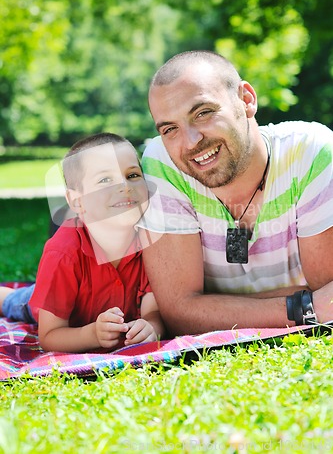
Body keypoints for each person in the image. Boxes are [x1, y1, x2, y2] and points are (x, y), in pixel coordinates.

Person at [138, 50, 333, 336]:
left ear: (246, 100)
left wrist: (212, 308)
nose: (191, 142)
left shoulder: (310, 153)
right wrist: (304, 305)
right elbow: (179, 312)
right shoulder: (163, 162)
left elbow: (326, 288)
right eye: (170, 129)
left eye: (203, 113)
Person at [0, 133, 164, 352]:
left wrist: (151, 327)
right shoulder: (63, 253)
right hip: (61, 306)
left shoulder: (153, 242)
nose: (125, 186)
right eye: (105, 180)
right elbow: (49, 336)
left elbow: (153, 313)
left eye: (132, 175)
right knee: (18, 302)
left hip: (84, 296)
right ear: (77, 202)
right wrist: (92, 335)